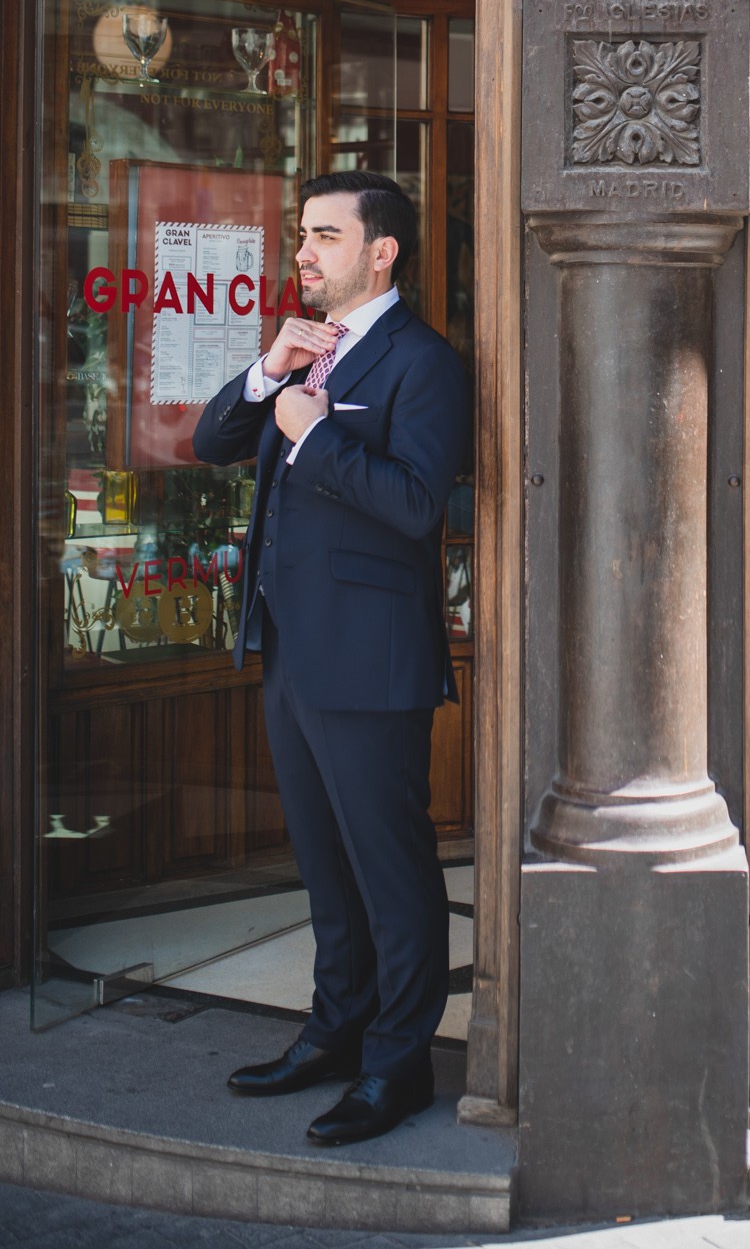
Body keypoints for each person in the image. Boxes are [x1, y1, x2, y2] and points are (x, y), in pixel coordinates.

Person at [194, 171, 469, 1146]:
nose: (303, 252)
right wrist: (271, 373)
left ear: (380, 249)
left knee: (391, 875)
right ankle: (333, 1034)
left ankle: (397, 1066)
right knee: (325, 866)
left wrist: (314, 439)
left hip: (372, 660)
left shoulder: (421, 361)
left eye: (324, 235)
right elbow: (210, 437)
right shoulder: (305, 345)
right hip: (291, 653)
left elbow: (414, 507)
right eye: (301, 234)